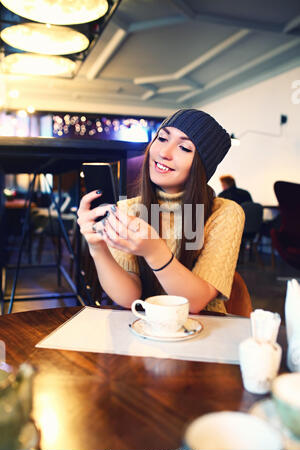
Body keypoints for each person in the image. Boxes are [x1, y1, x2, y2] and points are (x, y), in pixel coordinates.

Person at [77, 109, 245, 314]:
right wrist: (97, 246)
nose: (164, 153)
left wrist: (154, 251)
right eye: (162, 138)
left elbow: (196, 303)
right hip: (144, 328)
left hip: (204, 331)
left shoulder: (225, 213)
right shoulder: (127, 209)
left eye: (184, 148)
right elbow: (128, 297)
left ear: (202, 166)